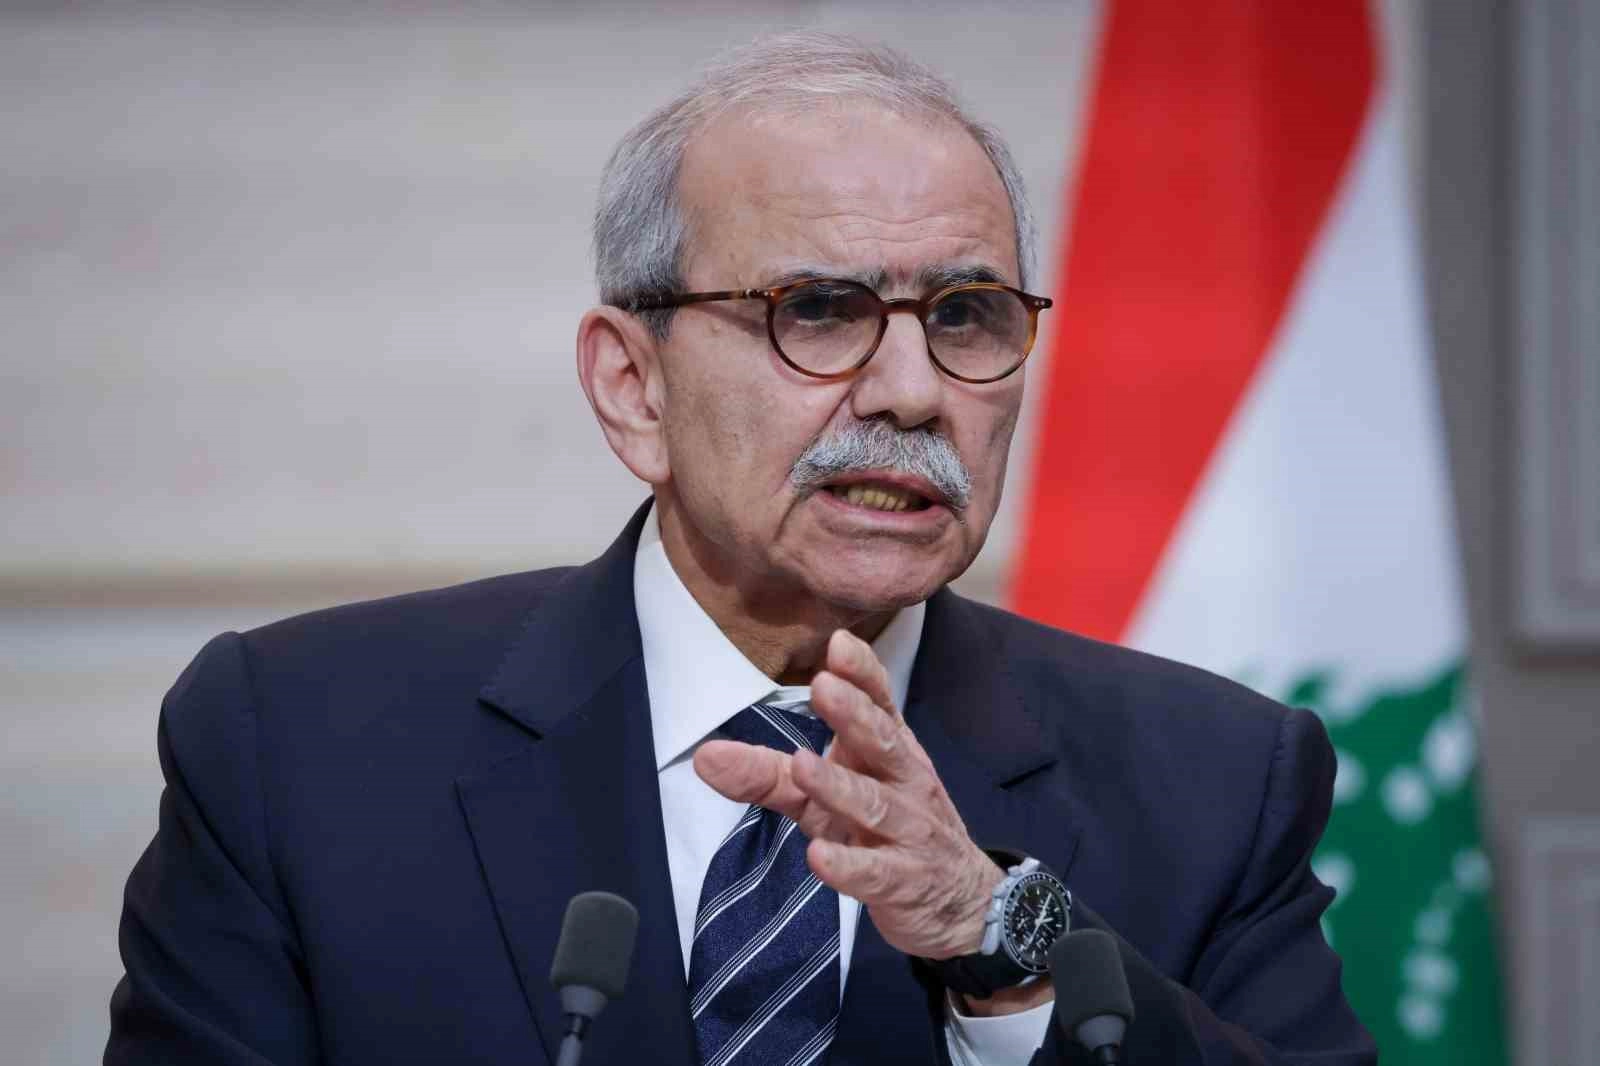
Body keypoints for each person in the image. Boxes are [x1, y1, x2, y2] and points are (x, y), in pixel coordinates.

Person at [107, 31, 1376, 1066]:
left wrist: (998, 939)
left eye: (965, 316)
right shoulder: (298, 744)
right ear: (633, 388)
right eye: (815, 310)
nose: (911, 392)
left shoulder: (1214, 779)